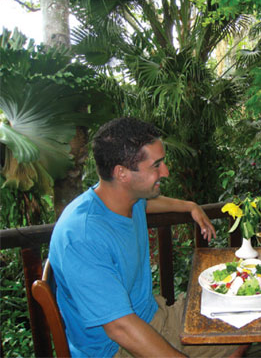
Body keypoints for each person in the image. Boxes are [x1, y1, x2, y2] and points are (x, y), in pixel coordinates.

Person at [49, 117, 247, 357]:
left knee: (245, 319)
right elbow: (119, 328)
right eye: (156, 165)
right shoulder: (82, 235)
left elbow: (147, 204)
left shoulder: (127, 200)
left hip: (152, 316)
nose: (166, 171)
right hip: (115, 348)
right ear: (122, 173)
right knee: (239, 338)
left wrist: (189, 206)